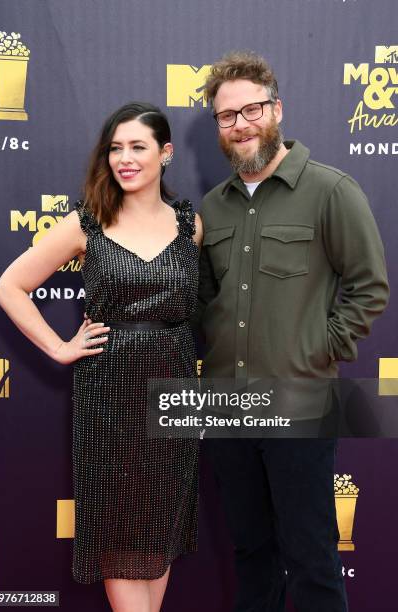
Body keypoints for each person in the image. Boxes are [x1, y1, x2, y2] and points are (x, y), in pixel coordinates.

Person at [197, 51, 389, 612]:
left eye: (251, 109)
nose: (240, 124)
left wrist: (316, 352)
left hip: (300, 405)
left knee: (311, 556)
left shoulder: (331, 190)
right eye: (226, 116)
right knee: (252, 554)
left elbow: (368, 287)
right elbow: (209, 301)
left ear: (276, 109)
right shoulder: (214, 206)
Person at [0, 102, 203, 612]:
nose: (124, 159)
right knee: (118, 525)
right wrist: (60, 348)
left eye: (137, 147)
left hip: (174, 386)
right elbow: (10, 286)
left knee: (159, 520)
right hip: (109, 391)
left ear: (166, 153)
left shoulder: (190, 225)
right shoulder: (87, 223)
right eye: (115, 149)